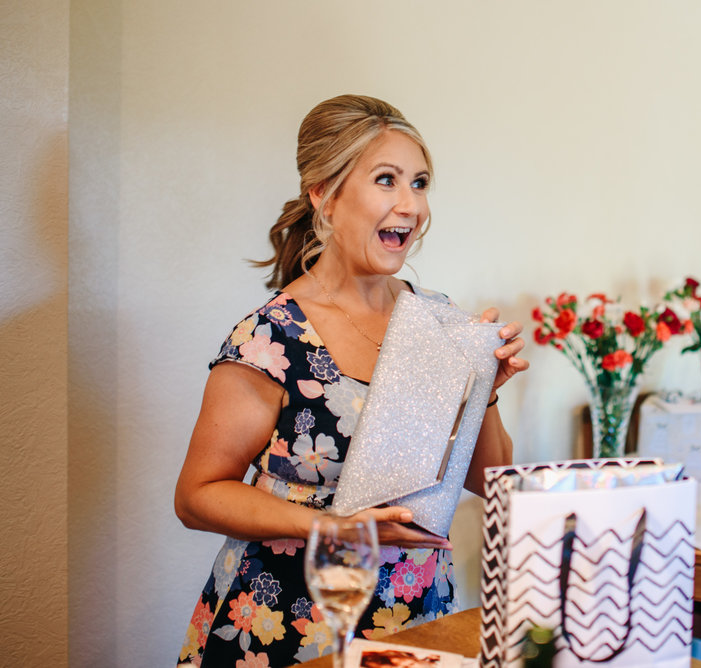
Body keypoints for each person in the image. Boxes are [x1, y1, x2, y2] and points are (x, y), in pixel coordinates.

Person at [174, 94, 528, 667]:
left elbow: (490, 479)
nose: (410, 204)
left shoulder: (440, 320)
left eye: (420, 182)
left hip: (416, 620)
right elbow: (196, 496)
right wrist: (337, 528)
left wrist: (481, 387)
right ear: (324, 195)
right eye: (386, 180)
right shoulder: (271, 338)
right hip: (288, 621)